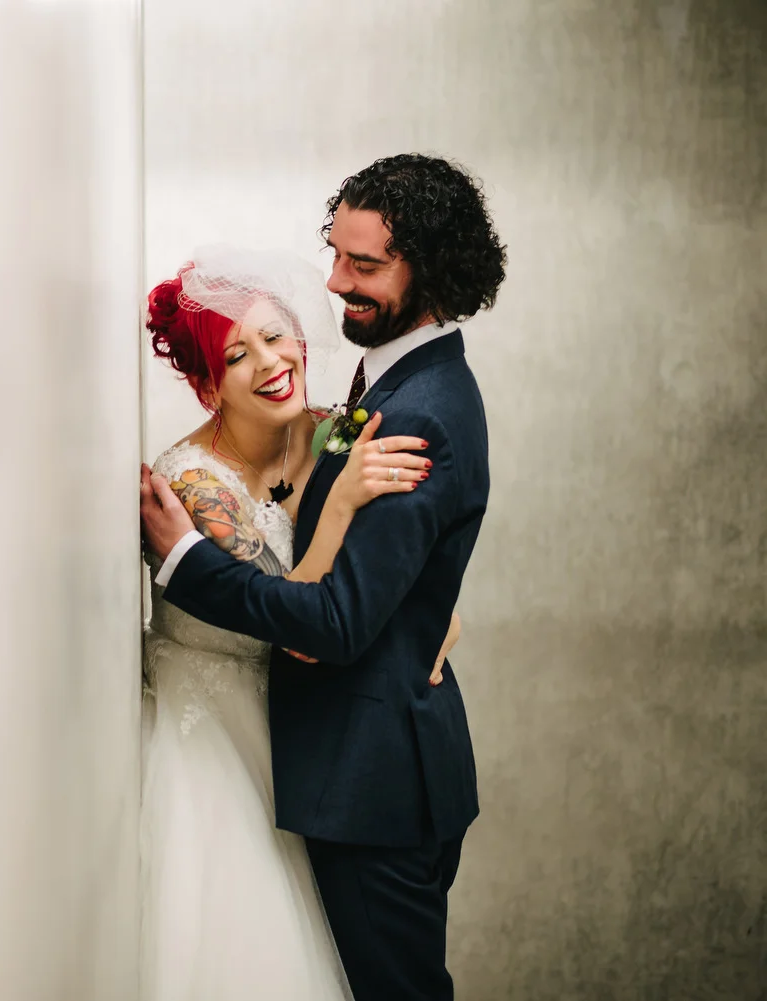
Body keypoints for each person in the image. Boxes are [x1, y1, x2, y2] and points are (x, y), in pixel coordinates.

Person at [141, 154, 507, 1000]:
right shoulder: (379, 390)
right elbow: (378, 568)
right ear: (206, 379)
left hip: (372, 782)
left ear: (433, 267)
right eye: (334, 254)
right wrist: (421, 604)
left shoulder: (417, 412)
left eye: (365, 265)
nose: (336, 283)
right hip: (301, 763)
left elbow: (332, 623)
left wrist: (183, 559)